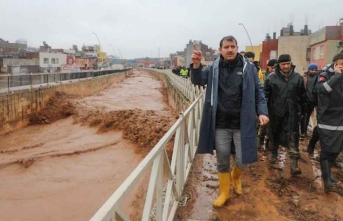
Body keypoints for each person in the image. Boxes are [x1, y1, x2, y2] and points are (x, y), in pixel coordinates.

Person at [190, 35, 268, 207]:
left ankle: (236, 177)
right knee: (223, 158)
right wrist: (196, 65)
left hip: (243, 122)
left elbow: (259, 91)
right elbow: (198, 80)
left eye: (232, 46)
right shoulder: (214, 67)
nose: (230, 49)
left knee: (242, 158)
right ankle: (224, 192)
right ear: (221, 50)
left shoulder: (249, 68)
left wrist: (262, 111)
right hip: (220, 123)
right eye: (226, 47)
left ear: (237, 48)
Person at [264, 54, 307, 175]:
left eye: (288, 63)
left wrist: (303, 111)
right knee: (274, 134)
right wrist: (264, 112)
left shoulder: (297, 78)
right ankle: (274, 153)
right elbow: (265, 96)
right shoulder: (271, 78)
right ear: (279, 65)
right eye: (284, 64)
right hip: (275, 113)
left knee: (293, 137)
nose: (286, 66)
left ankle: (294, 165)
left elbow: (303, 96)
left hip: (293, 113)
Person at [315, 53, 343, 193]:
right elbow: (321, 90)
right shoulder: (325, 75)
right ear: (335, 64)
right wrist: (337, 77)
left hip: (341, 120)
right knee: (327, 151)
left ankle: (329, 173)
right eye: (341, 64)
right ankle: (326, 182)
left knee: (336, 150)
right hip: (327, 119)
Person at [257, 59, 277, 151]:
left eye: (275, 67)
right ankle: (259, 143)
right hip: (264, 103)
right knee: (263, 125)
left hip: (274, 104)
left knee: (272, 126)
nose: (273, 69)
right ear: (268, 66)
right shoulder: (262, 74)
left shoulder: (277, 76)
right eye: (272, 67)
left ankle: (269, 144)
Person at [300, 63, 319, 139]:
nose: (314, 71)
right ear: (309, 69)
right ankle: (302, 132)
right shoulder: (304, 77)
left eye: (315, 70)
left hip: (313, 100)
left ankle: (305, 131)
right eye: (312, 70)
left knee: (308, 116)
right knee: (303, 116)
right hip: (305, 100)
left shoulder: (318, 78)